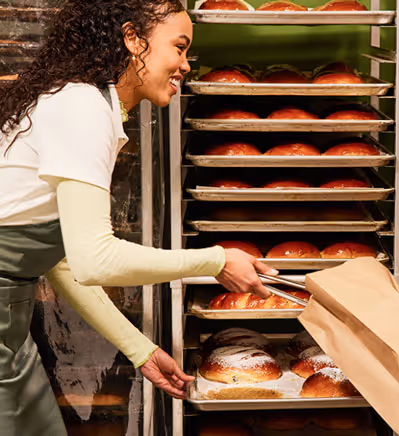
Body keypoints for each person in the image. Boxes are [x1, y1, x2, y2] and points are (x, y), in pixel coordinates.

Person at [0, 1, 277, 434]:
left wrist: (140, 349)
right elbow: (96, 260)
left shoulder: (89, 104)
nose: (185, 65)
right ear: (133, 39)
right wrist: (216, 260)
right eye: (179, 47)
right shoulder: (82, 108)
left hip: (8, 331)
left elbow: (63, 259)